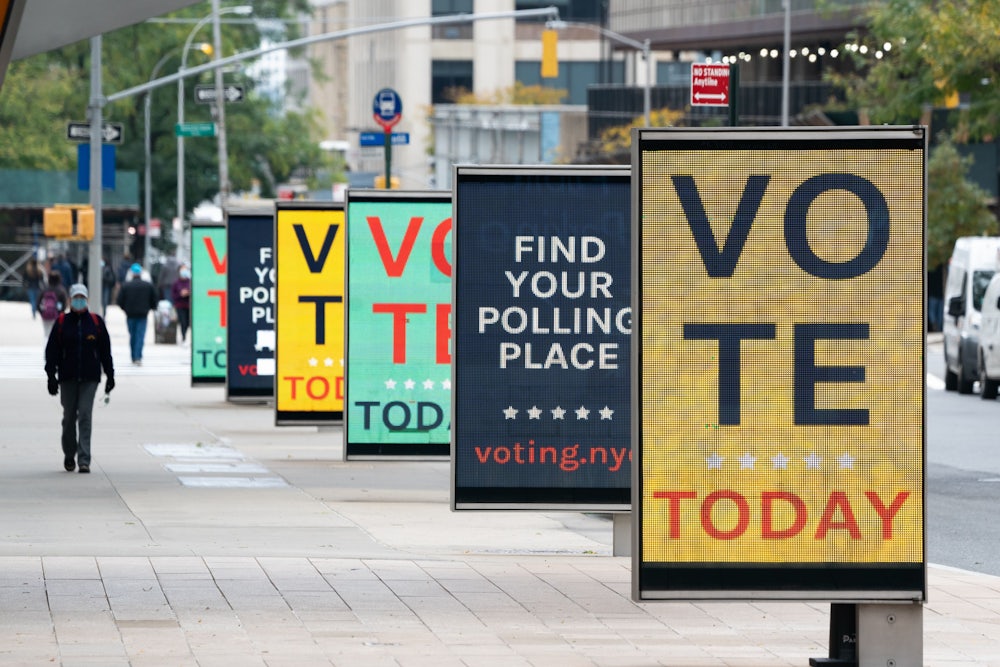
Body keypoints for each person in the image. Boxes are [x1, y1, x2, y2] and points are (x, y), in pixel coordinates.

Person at [44, 283, 114, 474]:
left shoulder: (96, 322)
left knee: (84, 415)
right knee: (68, 418)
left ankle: (84, 459)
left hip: (90, 378)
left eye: (82, 297)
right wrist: (51, 375)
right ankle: (69, 453)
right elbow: (52, 352)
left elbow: (105, 351)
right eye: (76, 297)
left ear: (87, 300)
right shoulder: (61, 323)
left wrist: (110, 375)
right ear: (70, 300)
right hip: (67, 377)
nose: (79, 301)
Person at [116, 263, 158, 366]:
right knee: (140, 335)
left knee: (132, 335)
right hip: (143, 314)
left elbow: (119, 300)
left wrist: (125, 308)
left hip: (130, 314)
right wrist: (151, 308)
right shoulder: (148, 285)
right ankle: (137, 356)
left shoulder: (126, 286)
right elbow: (154, 299)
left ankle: (133, 356)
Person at [38, 272, 69, 338]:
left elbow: (38, 303)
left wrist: (42, 312)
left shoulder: (45, 290)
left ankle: (47, 346)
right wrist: (60, 313)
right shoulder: (61, 290)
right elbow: (64, 304)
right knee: (56, 334)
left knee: (46, 334)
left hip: (45, 315)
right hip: (56, 315)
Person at [171, 264, 192, 344]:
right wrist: (180, 294)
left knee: (187, 322)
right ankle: (183, 336)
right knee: (182, 321)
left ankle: (185, 335)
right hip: (179, 305)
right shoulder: (176, 283)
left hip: (188, 305)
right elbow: (173, 295)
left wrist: (188, 293)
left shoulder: (190, 282)